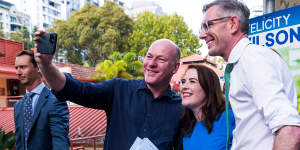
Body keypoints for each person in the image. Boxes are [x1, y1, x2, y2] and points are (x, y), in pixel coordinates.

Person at [33, 35, 183, 150]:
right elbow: (73, 89)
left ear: (175, 68)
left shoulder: (181, 109)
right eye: (149, 56)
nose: (151, 64)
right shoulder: (119, 89)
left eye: (161, 59)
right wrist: (45, 65)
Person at [199, 0, 300, 150]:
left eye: (208, 25)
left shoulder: (252, 58)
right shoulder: (244, 61)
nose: (202, 35)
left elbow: (290, 130)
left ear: (233, 24)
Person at [14, 50, 70, 150]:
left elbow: (60, 143)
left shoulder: (55, 100)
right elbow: (20, 143)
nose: (18, 72)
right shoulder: (18, 106)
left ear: (38, 68)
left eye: (23, 67)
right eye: (16, 68)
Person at [174, 65, 235, 150]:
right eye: (183, 81)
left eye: (192, 81)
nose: (184, 86)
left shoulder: (229, 118)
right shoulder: (186, 126)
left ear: (208, 87)